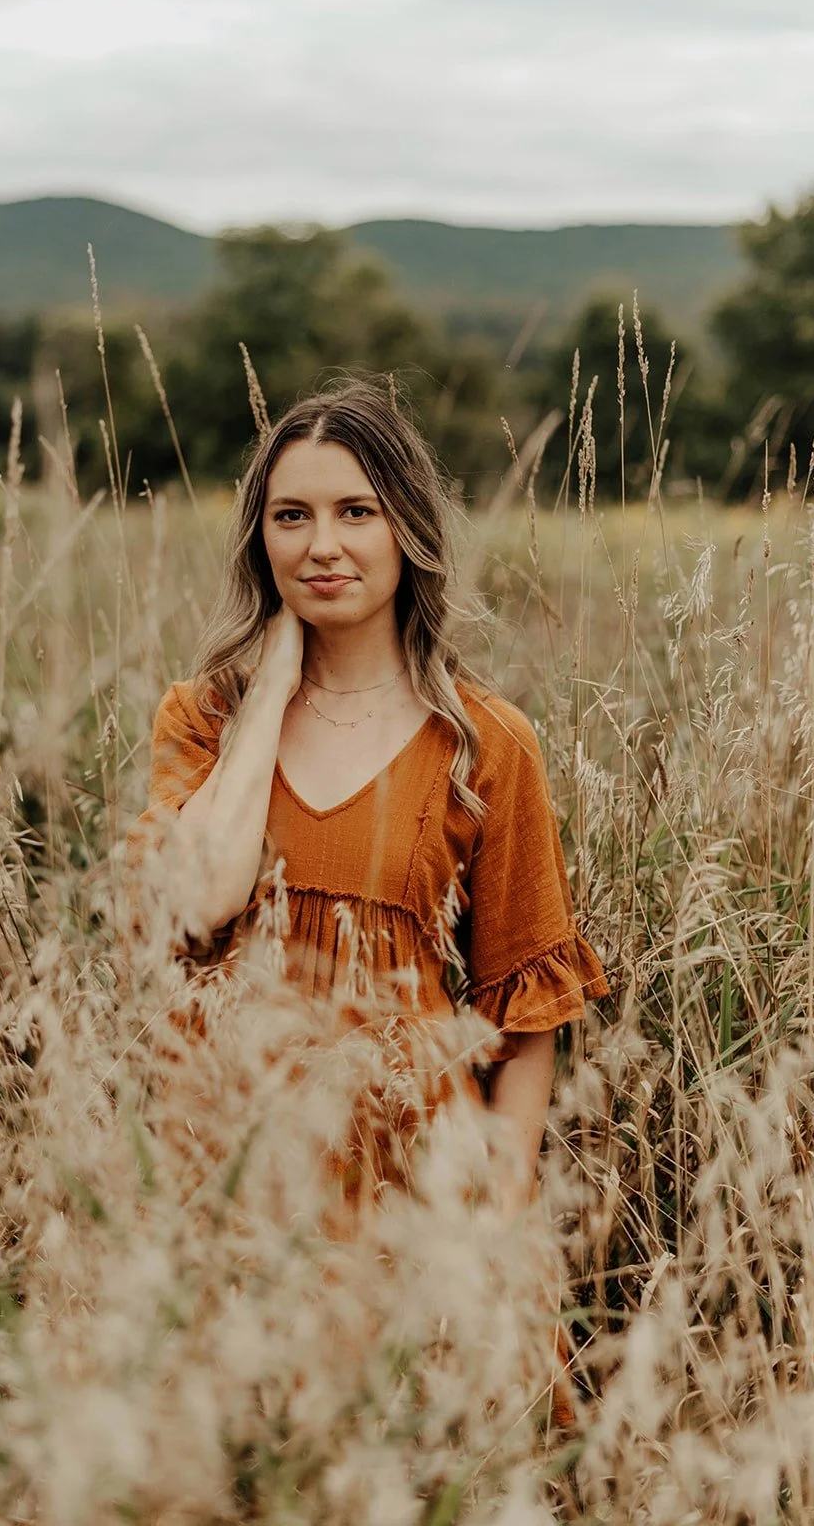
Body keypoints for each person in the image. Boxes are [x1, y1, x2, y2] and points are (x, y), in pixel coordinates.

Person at [128, 376, 607, 1204]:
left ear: (406, 527)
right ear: (260, 537)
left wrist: (496, 1231)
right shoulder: (204, 718)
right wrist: (271, 687)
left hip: (409, 1195)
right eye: (291, 516)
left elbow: (524, 1024)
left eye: (356, 511)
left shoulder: (484, 744)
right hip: (226, 1185)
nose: (321, 545)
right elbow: (198, 901)